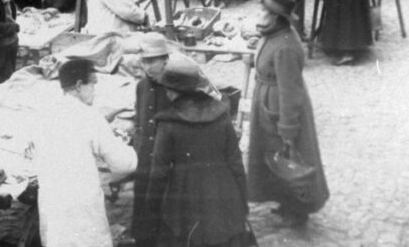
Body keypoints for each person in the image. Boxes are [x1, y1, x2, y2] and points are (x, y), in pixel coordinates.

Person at [147, 54, 250, 247]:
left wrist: (152, 211)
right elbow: (236, 162)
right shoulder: (221, 113)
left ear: (176, 90)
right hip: (223, 193)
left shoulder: (168, 123)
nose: (166, 93)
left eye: (168, 89)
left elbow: (158, 173)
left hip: (184, 198)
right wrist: (242, 200)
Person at [32, 58, 137, 247]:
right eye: (93, 84)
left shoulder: (45, 114)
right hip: (81, 204)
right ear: (79, 85)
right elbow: (122, 164)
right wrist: (130, 148)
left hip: (53, 200)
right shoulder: (90, 118)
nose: (95, 91)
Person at [247, 0, 329, 227]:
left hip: (280, 109)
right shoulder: (273, 34)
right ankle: (284, 201)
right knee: (273, 156)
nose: (260, 13)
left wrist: (288, 127)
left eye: (265, 10)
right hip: (268, 105)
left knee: (290, 157)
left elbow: (289, 90)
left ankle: (298, 209)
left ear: (276, 16)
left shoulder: (285, 46)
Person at [131, 33, 173, 247]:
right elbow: (139, 122)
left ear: (165, 60)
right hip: (145, 160)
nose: (147, 67)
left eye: (152, 61)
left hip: (166, 163)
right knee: (143, 211)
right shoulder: (141, 87)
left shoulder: (175, 88)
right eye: (144, 61)